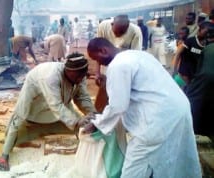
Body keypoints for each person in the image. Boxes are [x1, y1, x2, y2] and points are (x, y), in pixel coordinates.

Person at [84, 37, 201, 178]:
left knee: (134, 167)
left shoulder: (117, 65)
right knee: (171, 155)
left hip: (158, 118)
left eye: (97, 58)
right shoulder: (138, 55)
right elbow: (141, 87)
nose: (99, 63)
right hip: (177, 108)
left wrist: (97, 123)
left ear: (103, 50)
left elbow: (118, 106)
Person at [0, 53, 97, 171]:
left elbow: (82, 97)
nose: (80, 80)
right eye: (77, 77)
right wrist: (77, 121)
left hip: (59, 102)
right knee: (19, 117)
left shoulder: (80, 75)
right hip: (34, 96)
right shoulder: (50, 76)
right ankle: (4, 156)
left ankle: (84, 145)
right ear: (68, 71)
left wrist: (92, 113)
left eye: (82, 76)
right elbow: (56, 106)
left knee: (82, 125)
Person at [95, 14, 142, 112]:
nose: (118, 35)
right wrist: (97, 72)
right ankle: (99, 117)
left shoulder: (136, 32)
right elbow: (98, 51)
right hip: (106, 67)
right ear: (112, 24)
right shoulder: (103, 26)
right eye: (116, 32)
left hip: (125, 69)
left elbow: (135, 58)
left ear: (128, 26)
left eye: (122, 33)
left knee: (120, 98)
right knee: (104, 94)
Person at [185, 23, 214, 140]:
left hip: (204, 79)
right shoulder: (193, 42)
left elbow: (200, 70)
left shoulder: (207, 49)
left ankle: (192, 129)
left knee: (192, 100)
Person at [172, 21, 211, 85]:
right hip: (184, 74)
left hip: (195, 75)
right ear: (200, 29)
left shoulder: (207, 44)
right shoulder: (190, 41)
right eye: (206, 32)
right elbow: (177, 54)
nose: (207, 34)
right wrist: (175, 70)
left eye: (209, 33)